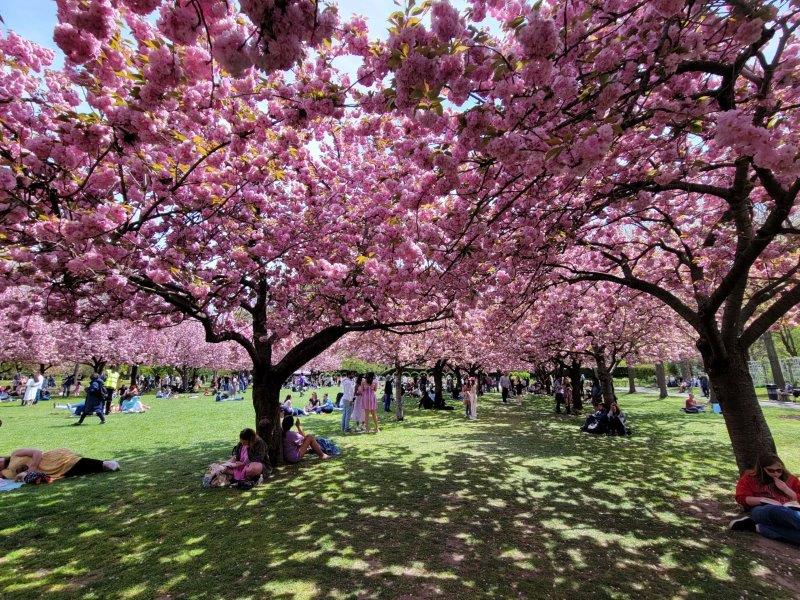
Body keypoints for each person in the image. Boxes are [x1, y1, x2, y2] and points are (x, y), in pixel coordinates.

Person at [730, 453, 800, 545]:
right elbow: (741, 498)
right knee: (776, 510)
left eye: (779, 470)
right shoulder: (749, 478)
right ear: (762, 469)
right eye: (771, 470)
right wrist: (763, 500)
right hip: (764, 509)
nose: (775, 473)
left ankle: (758, 527)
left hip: (791, 510)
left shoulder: (790, 479)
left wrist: (786, 490)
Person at [0, 448, 119, 481]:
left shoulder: (15, 454)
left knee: (71, 461)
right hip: (50, 471)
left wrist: (33, 467)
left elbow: (36, 452)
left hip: (50, 459)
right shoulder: (6, 473)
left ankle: (104, 463)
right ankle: (101, 466)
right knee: (71, 472)